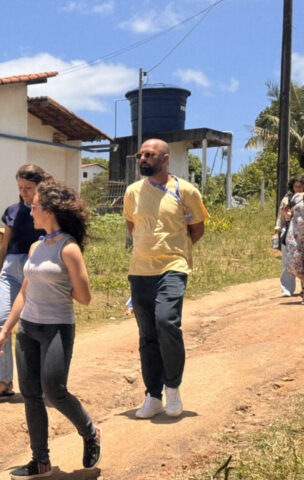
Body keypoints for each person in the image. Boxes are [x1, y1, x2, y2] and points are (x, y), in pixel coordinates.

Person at [0, 179, 101, 478]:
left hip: (56, 329)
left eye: (35, 207)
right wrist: (5, 330)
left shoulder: (69, 248)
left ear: (49, 210)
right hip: (27, 329)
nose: (30, 211)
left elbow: (85, 297)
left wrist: (62, 288)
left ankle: (89, 432)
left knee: (54, 391)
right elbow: (24, 293)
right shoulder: (36, 246)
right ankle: (40, 461)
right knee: (31, 395)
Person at [123, 138, 208, 419]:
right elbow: (132, 226)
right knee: (147, 335)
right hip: (140, 270)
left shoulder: (186, 191)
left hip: (173, 267)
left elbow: (197, 228)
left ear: (165, 158)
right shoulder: (133, 192)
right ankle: (153, 396)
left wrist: (176, 249)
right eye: (141, 154)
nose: (143, 159)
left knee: (166, 323)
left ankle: (172, 388)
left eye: (149, 154)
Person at [0, 164, 49, 400]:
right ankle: (4, 380)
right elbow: (4, 246)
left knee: (37, 327)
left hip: (39, 271)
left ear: (41, 186)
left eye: (28, 188)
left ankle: (45, 382)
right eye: (20, 187)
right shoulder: (12, 211)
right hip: (11, 271)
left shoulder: (50, 211)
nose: (23, 192)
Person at [274, 175, 304, 297]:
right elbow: (282, 217)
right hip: (291, 232)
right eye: (296, 186)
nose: (298, 189)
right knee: (289, 261)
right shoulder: (288, 199)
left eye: (300, 186)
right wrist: (277, 232)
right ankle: (287, 288)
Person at [285, 189, 304, 304]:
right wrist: (286, 214)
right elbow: (290, 215)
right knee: (298, 264)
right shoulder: (297, 197)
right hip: (298, 237)